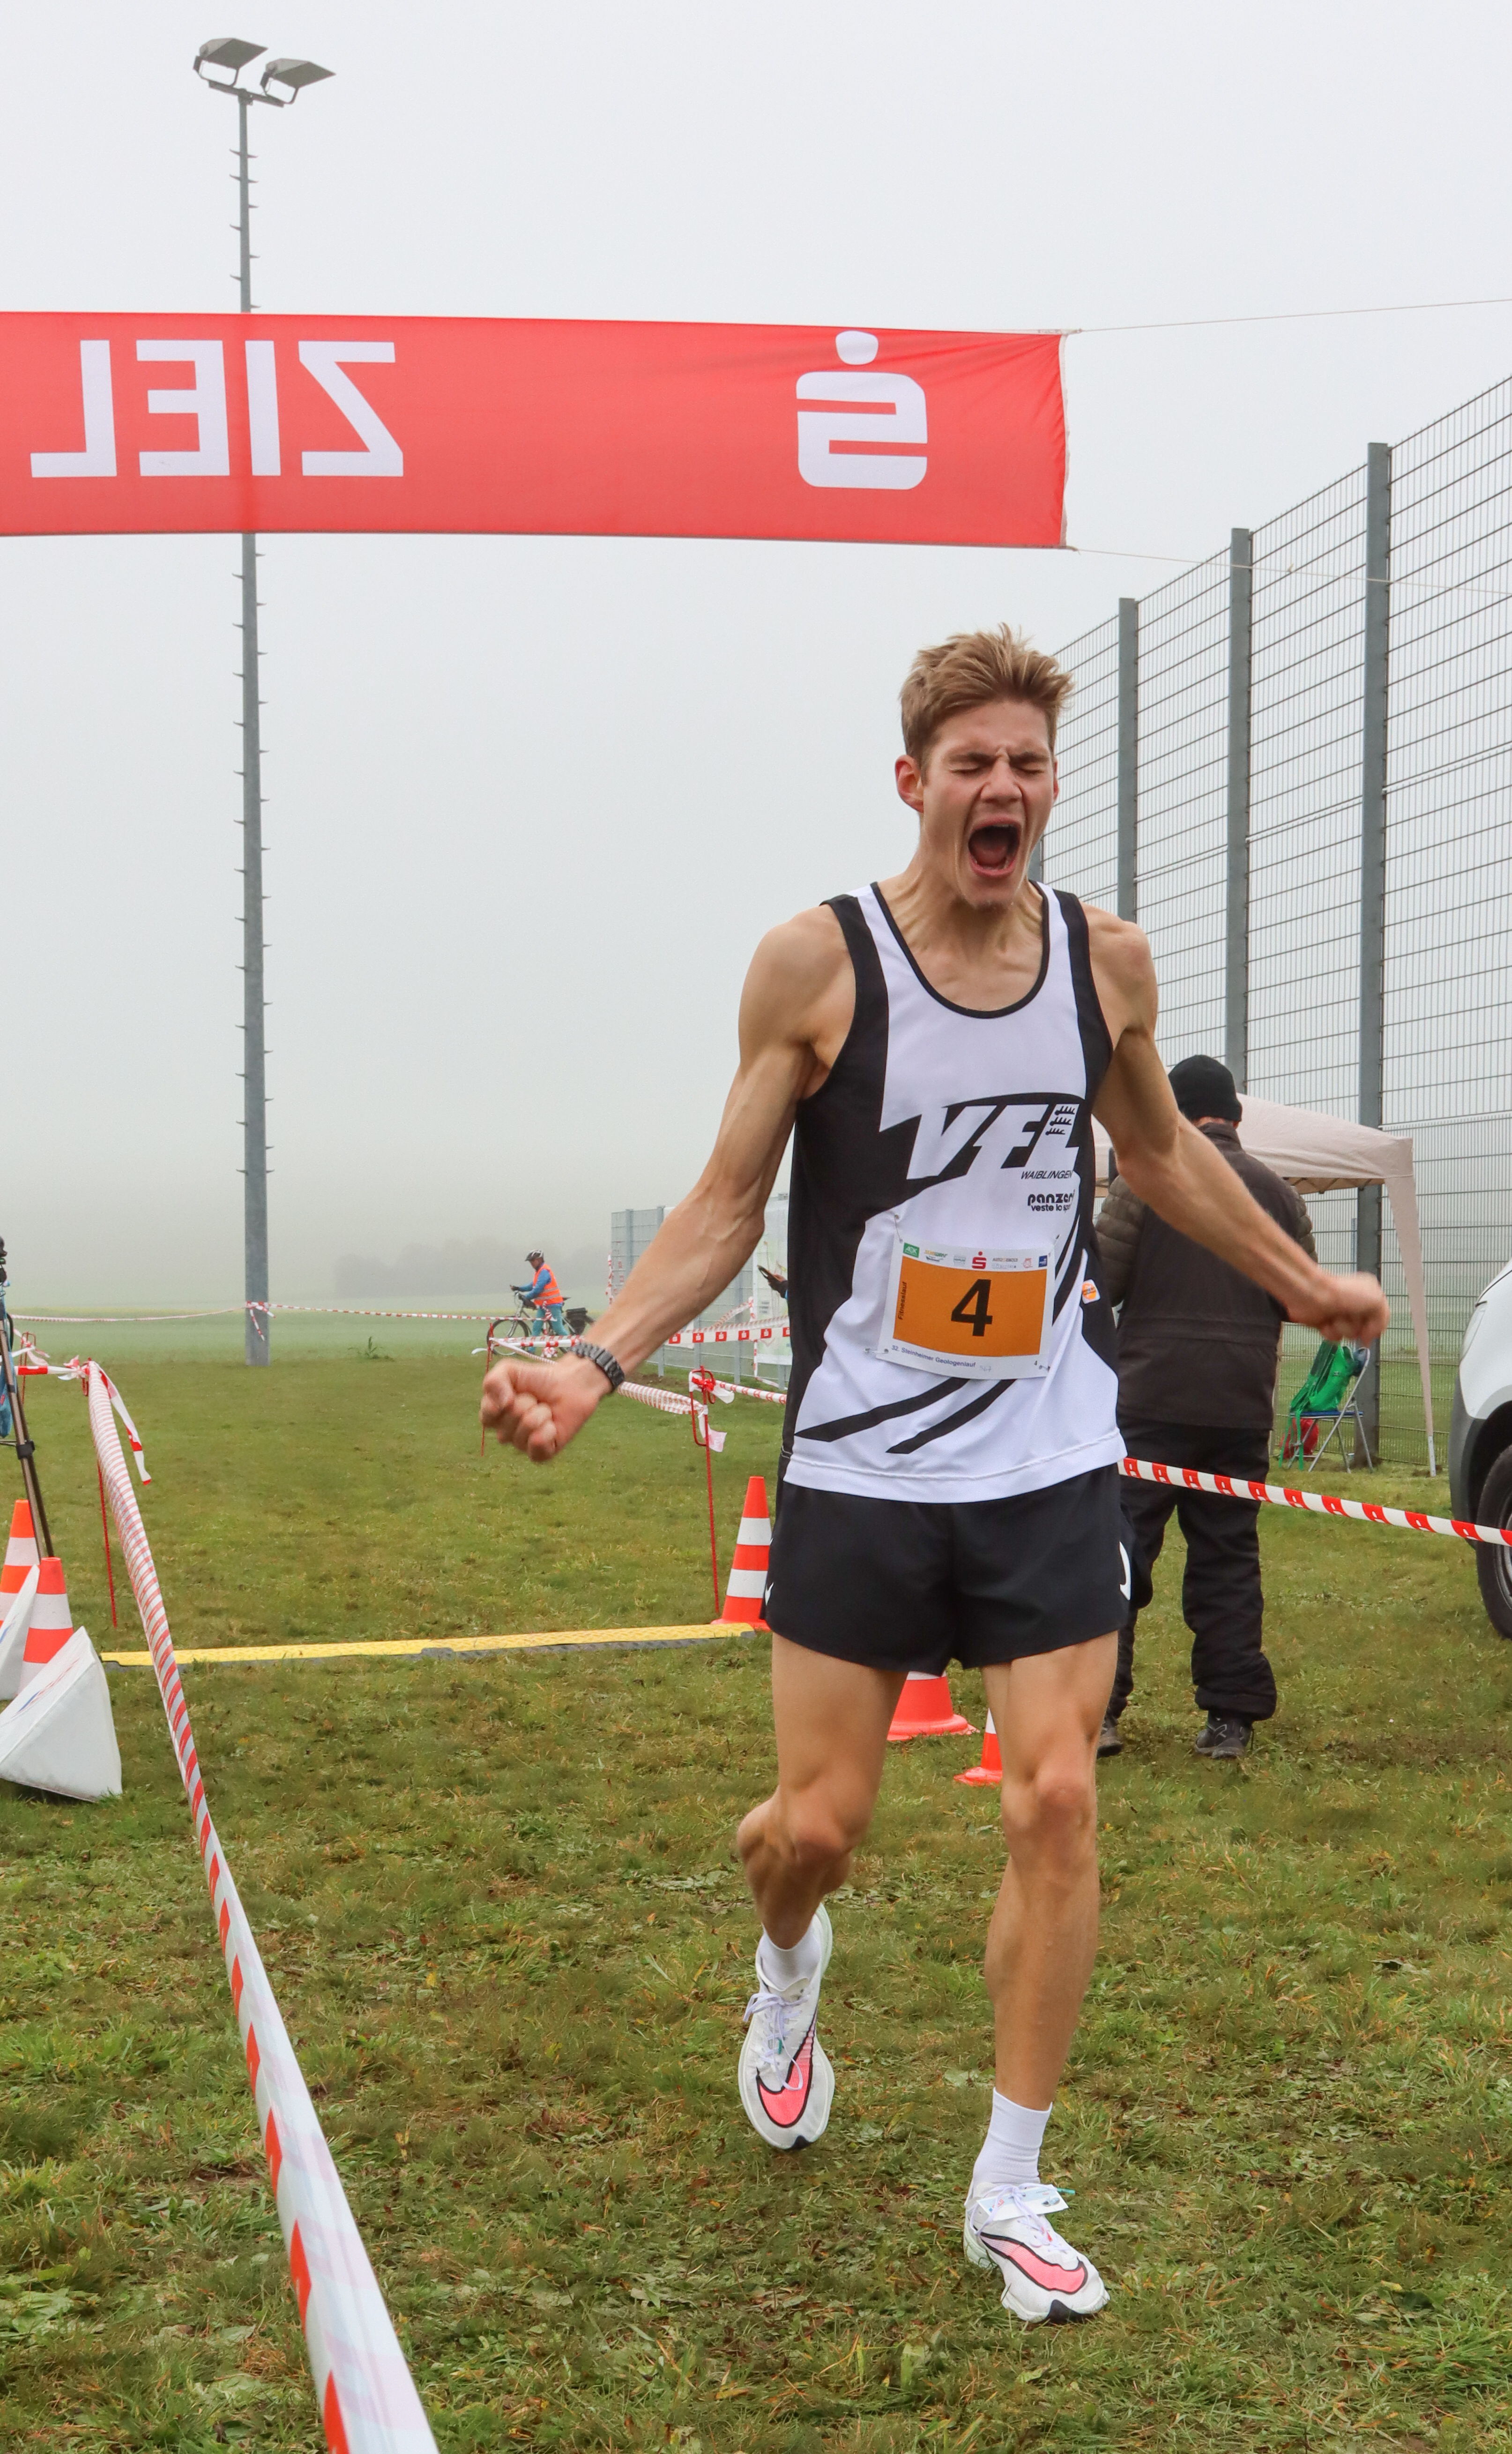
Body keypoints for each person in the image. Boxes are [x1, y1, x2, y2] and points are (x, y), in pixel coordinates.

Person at [481, 626, 1386, 2327]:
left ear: (1047, 788)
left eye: (1027, 764)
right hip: (861, 1458)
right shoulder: (815, 967)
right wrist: (595, 1361)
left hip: (1047, 1448)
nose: (1003, 788)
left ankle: (1010, 2183)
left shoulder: (1102, 964)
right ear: (913, 782)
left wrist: (1296, 1277)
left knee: (1055, 1799)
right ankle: (785, 1967)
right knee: (815, 1826)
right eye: (972, 762)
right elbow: (726, 1204)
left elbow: (1156, 1149)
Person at [1097, 1055, 1316, 1763]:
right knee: (1227, 1557)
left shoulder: (1142, 1180)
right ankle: (1231, 1717)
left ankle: (1098, 1711)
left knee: (1118, 1551)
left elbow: (1100, 1282)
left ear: (1173, 1111)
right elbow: (1298, 1297)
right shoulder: (1278, 1194)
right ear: (1234, 1116)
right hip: (1238, 1405)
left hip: (1149, 1401)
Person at [520, 1251, 567, 1338]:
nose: (531, 1263)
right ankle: (532, 1347)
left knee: (558, 1329)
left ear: (540, 1260)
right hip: (544, 1305)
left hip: (552, 1304)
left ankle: (575, 1346)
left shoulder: (544, 1271)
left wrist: (526, 1297)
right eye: (530, 1262)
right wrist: (520, 1289)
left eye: (533, 1261)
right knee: (536, 1328)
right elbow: (533, 1285)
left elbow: (538, 1289)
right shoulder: (539, 1271)